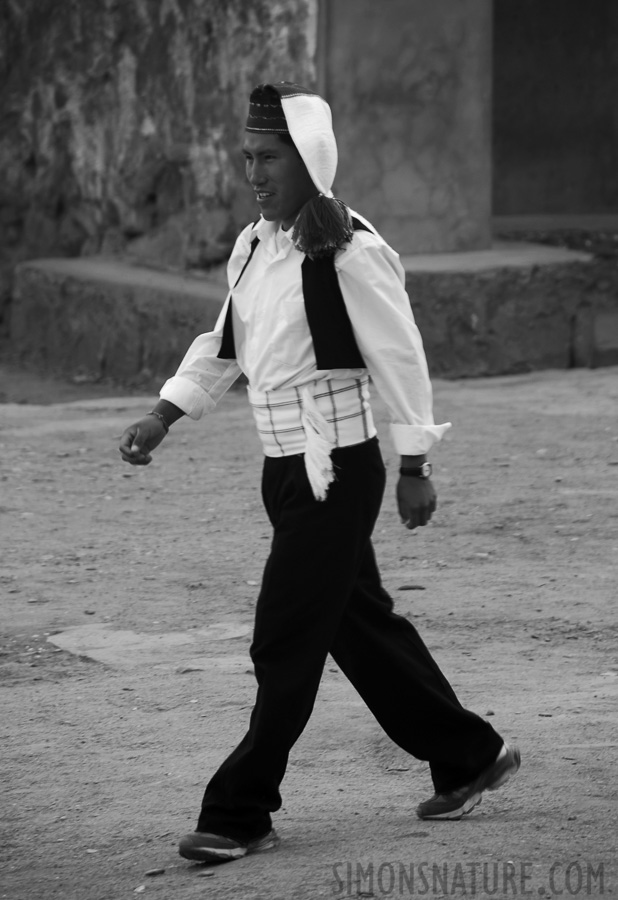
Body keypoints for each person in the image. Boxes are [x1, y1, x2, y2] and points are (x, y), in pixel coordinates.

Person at [119, 81, 520, 864]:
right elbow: (224, 346)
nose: (255, 173)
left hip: (338, 472)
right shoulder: (252, 246)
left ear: (309, 160)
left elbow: (400, 357)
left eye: (269, 157)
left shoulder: (352, 250)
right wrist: (164, 415)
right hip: (283, 474)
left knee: (286, 638)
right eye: (248, 158)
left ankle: (239, 810)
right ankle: (471, 755)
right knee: (357, 626)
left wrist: (414, 464)